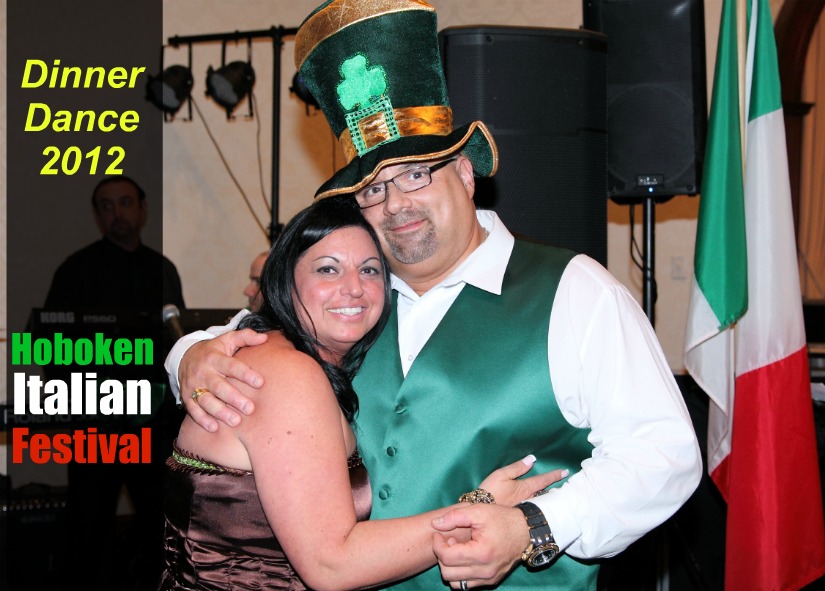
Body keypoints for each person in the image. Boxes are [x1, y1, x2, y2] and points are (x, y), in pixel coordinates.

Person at [165, 1, 703, 589]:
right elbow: (248, 345)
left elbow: (663, 455)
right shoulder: (353, 304)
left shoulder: (575, 291)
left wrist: (533, 527)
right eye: (372, 190)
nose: (396, 203)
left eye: (416, 174)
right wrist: (189, 355)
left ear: (466, 175)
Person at [157, 196, 563, 590]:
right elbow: (329, 564)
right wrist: (479, 509)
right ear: (286, 280)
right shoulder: (288, 374)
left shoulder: (305, 356)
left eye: (369, 270)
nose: (353, 287)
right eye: (328, 269)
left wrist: (187, 352)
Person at [44, 174, 185, 591]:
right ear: (97, 215)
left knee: (161, 531)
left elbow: (177, 345)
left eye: (125, 202)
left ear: (142, 209)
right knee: (86, 530)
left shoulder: (163, 270)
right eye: (106, 205)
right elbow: (51, 348)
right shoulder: (75, 271)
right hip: (96, 426)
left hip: (154, 427)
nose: (116, 212)